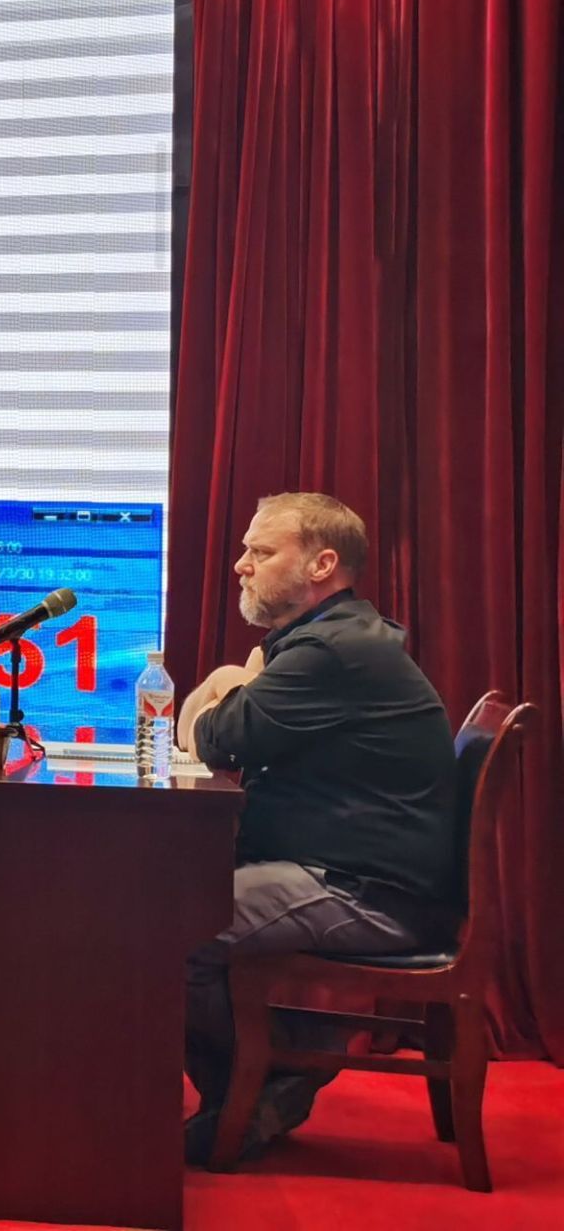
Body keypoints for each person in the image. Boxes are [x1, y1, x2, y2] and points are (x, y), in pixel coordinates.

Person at [178, 492, 458, 1164]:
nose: (241, 565)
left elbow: (214, 737)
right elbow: (212, 728)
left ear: (322, 565)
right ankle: (274, 1072)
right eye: (245, 550)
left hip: (367, 894)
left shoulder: (330, 652)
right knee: (164, 903)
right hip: (350, 875)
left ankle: (252, 1095)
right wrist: (237, 681)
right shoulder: (334, 639)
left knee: (166, 924)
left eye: (261, 551)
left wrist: (228, 679)